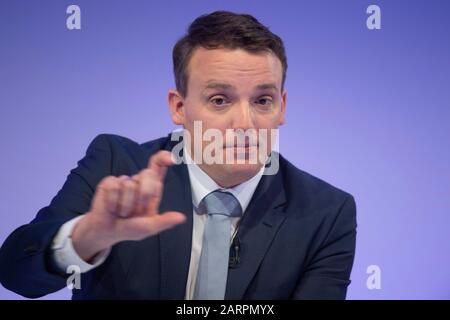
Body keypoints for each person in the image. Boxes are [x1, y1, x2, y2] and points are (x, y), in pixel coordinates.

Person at [0, 11, 357, 300]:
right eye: (220, 100)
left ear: (282, 107)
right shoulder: (116, 166)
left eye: (263, 100)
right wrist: (88, 237)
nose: (245, 123)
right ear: (179, 107)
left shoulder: (325, 212)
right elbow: (15, 272)